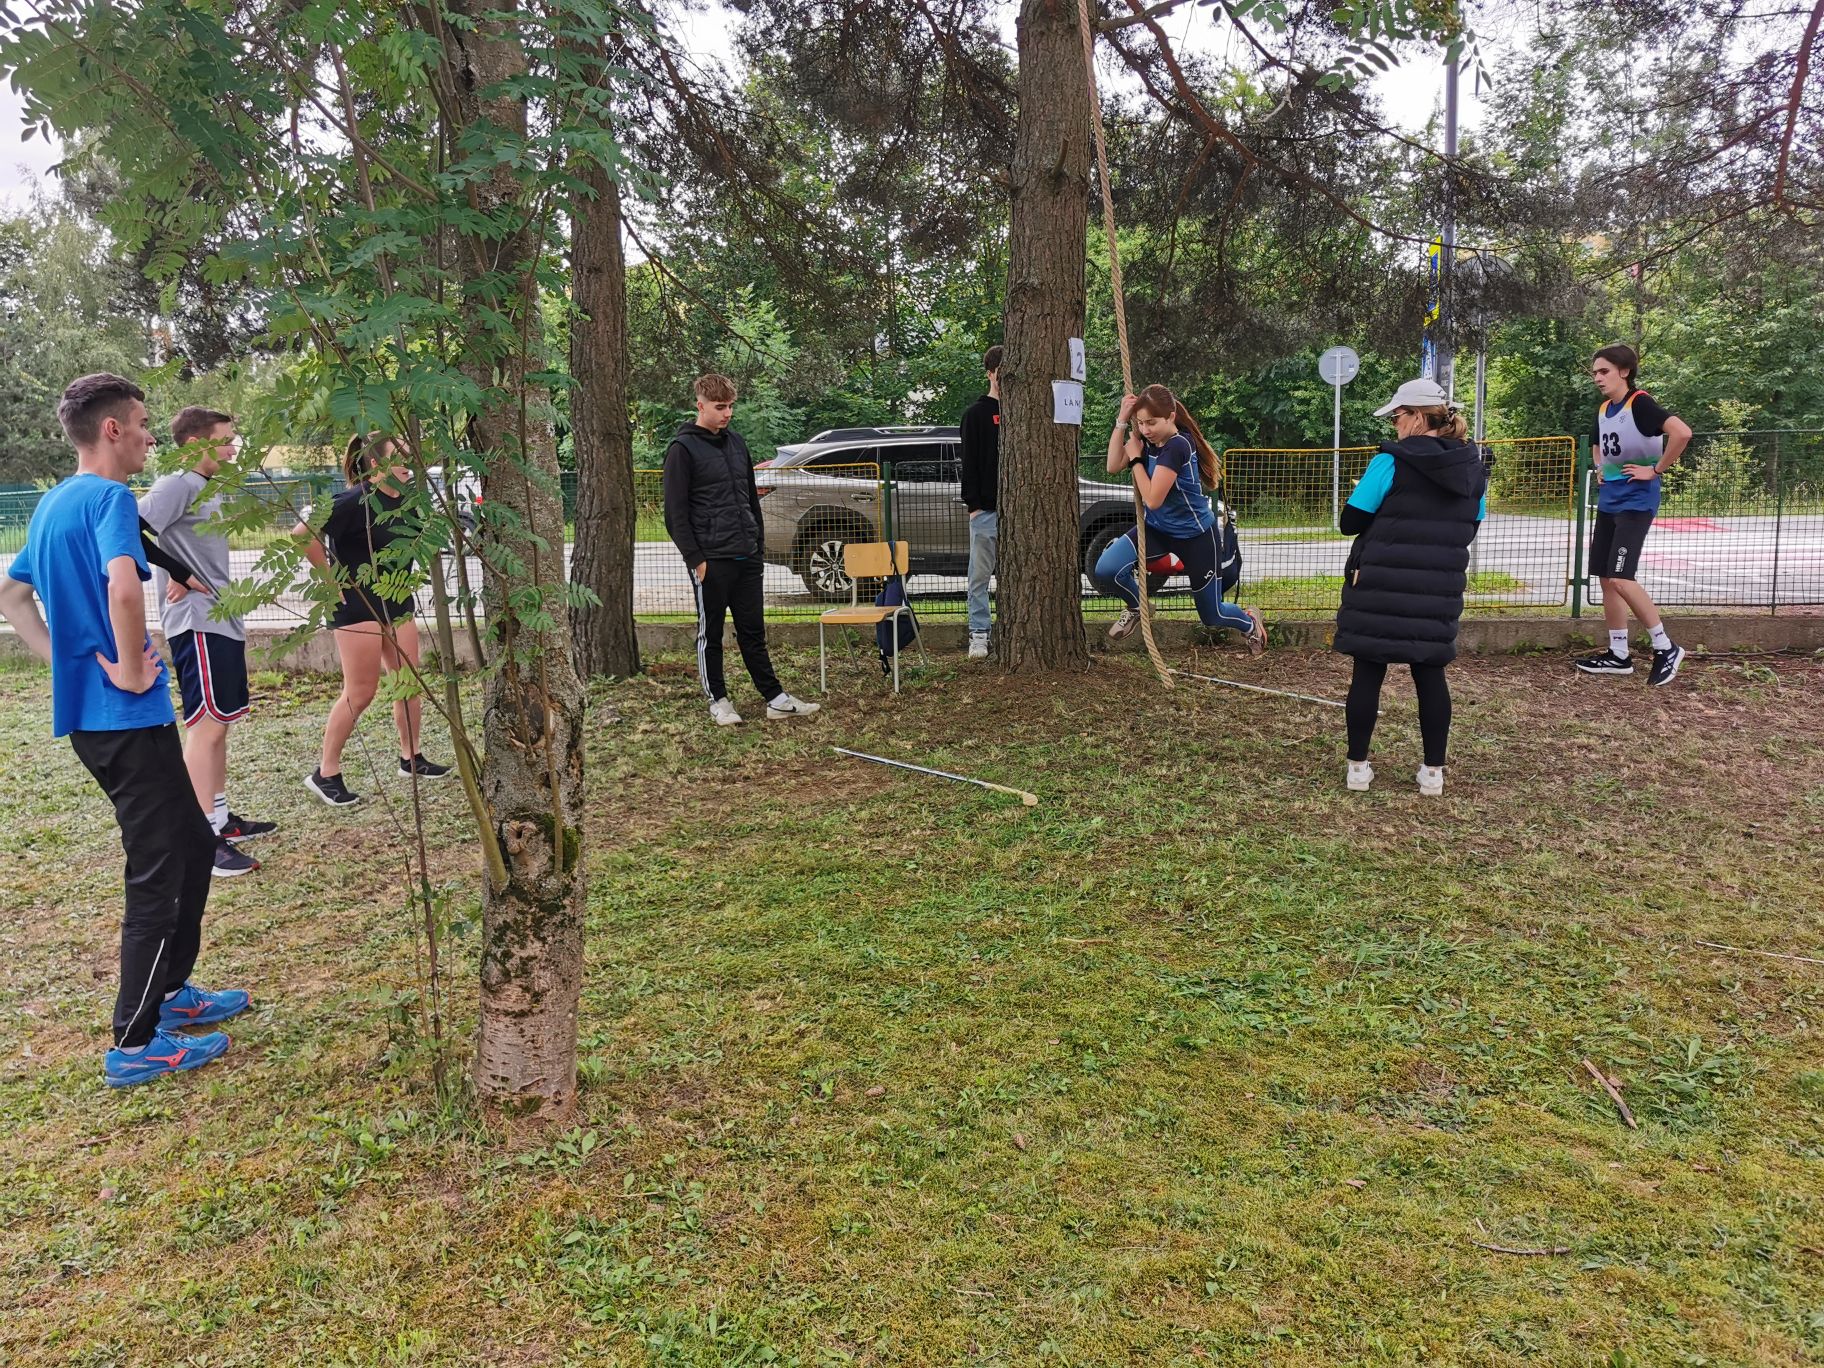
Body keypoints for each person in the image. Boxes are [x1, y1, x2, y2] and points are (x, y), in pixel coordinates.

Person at [0, 374, 246, 1087]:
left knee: (193, 844)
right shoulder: (109, 498)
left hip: (102, 719)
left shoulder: (53, 503)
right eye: (141, 423)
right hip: (126, 718)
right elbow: (121, 582)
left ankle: (171, 992)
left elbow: (12, 596)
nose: (148, 435)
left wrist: (67, 665)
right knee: (158, 867)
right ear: (112, 429)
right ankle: (135, 1042)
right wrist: (132, 671)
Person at [1333, 377, 1488, 796]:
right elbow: (1470, 526)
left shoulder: (1389, 462)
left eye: (1397, 417)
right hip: (1438, 586)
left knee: (1368, 671)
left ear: (1417, 417)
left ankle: (1358, 767)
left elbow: (1350, 522)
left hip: (1380, 583)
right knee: (1430, 673)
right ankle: (1433, 772)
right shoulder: (1473, 468)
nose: (1395, 425)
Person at [139, 407, 277, 877]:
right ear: (197, 442)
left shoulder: (206, 485)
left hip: (221, 619)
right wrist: (177, 572)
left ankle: (218, 817)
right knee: (205, 727)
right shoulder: (176, 484)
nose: (234, 448)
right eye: (227, 439)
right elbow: (127, 529)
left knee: (220, 724)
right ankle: (200, 837)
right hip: (196, 622)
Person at [294, 433, 451, 806]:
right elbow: (302, 534)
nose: (409, 464)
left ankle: (411, 758)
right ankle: (325, 773)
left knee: (408, 682)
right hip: (356, 606)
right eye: (401, 457)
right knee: (361, 692)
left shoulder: (407, 502)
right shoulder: (354, 500)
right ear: (377, 463)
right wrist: (328, 580)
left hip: (397, 603)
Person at [663, 373, 821, 726]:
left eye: (731, 406)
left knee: (753, 632)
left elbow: (750, 498)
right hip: (711, 560)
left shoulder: (736, 443)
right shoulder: (682, 450)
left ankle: (775, 699)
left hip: (747, 556)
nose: (727, 413)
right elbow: (674, 514)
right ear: (700, 405)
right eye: (720, 407)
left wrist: (757, 545)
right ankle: (719, 701)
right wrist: (696, 560)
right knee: (711, 634)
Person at [1093, 384, 1266, 652]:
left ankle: (1250, 623)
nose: (1146, 429)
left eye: (1152, 422)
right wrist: (1121, 421)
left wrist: (1136, 460)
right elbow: (1113, 466)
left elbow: (1153, 499)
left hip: (1196, 536)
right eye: (1141, 423)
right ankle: (1138, 606)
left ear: (1171, 416)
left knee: (1212, 615)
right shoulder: (1146, 439)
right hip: (1157, 530)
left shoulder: (1178, 446)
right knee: (1106, 569)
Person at [1574, 344, 1692, 686]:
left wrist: (1655, 470)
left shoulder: (1639, 403)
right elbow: (1598, 443)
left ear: (1624, 372)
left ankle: (1666, 647)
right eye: (1594, 373)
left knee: (1622, 578)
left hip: (1635, 504)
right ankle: (1619, 654)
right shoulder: (1604, 408)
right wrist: (1599, 466)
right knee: (1606, 578)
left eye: (1604, 371)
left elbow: (1682, 432)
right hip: (1609, 503)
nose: (1597, 378)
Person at [958, 345, 1003, 660]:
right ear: (990, 373)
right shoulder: (975, 414)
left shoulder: (1025, 413)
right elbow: (969, 462)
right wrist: (973, 506)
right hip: (986, 510)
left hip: (1019, 511)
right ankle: (979, 633)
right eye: (1000, 373)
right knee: (979, 577)